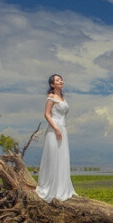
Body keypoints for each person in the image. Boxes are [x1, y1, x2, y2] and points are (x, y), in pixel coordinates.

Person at [36, 74, 77, 202]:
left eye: (61, 79)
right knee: (53, 157)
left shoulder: (63, 97)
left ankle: (62, 188)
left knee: (62, 157)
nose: (60, 81)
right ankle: (50, 188)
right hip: (54, 130)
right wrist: (56, 129)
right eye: (57, 80)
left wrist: (61, 130)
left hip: (63, 129)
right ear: (52, 84)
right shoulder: (51, 97)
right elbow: (47, 114)